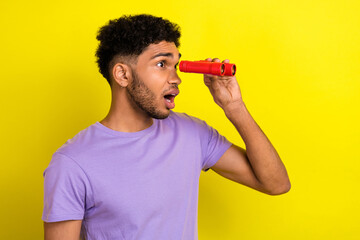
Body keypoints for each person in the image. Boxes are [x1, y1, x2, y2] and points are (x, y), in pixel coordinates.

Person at [42, 14, 290, 240]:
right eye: (162, 64)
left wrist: (234, 107)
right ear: (123, 75)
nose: (176, 78)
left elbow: (276, 184)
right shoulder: (72, 163)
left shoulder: (193, 134)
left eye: (175, 65)